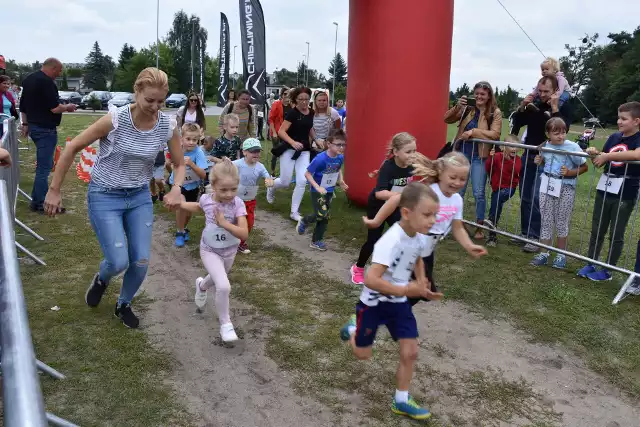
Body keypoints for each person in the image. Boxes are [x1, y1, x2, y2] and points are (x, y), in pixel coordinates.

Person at [44, 67, 186, 328]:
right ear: (137, 92)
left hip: (139, 196)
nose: (155, 107)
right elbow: (73, 146)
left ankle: (123, 303)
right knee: (118, 261)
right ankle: (102, 278)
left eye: (160, 102)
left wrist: (176, 187)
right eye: (149, 100)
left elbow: (179, 164)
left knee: (141, 260)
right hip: (105, 195)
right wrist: (54, 190)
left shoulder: (167, 125)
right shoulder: (117, 119)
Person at [339, 182, 441, 421]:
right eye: (427, 215)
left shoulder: (418, 235)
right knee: (363, 355)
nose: (432, 221)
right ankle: (354, 328)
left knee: (411, 351)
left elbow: (417, 257)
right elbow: (371, 279)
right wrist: (407, 288)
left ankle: (401, 401)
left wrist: (423, 284)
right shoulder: (390, 240)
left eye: (434, 215)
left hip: (399, 304)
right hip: (373, 304)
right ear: (406, 213)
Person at [362, 152, 487, 305]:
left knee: (419, 290)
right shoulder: (428, 192)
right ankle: (372, 312)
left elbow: (458, 228)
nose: (457, 183)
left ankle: (391, 312)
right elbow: (396, 199)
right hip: (410, 247)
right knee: (406, 288)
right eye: (453, 177)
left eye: (462, 179)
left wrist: (469, 246)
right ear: (441, 174)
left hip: (427, 252)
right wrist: (376, 221)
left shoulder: (457, 200)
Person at [578, 101, 640, 281]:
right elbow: (601, 161)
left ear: (636, 121)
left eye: (624, 119)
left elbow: (636, 155)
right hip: (605, 189)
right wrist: (594, 154)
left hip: (625, 193)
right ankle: (591, 261)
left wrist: (607, 155)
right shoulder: (613, 138)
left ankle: (608, 269)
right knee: (598, 227)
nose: (619, 122)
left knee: (616, 232)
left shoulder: (638, 138)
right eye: (618, 118)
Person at [510, 75, 571, 252]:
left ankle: (536, 237)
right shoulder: (533, 105)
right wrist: (522, 106)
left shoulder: (562, 106)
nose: (542, 94)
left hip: (546, 159)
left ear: (554, 91)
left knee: (538, 198)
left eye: (547, 91)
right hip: (528, 154)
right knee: (525, 196)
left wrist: (554, 107)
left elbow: (563, 128)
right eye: (540, 91)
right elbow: (518, 122)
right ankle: (525, 233)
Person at [190, 159, 249, 342]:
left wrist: (224, 223)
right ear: (213, 185)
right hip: (209, 249)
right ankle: (226, 325)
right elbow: (197, 207)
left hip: (229, 251)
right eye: (224, 190)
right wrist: (179, 204)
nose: (229, 194)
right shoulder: (206, 200)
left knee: (217, 279)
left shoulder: (238, 204)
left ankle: (201, 286)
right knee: (223, 286)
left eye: (233, 189)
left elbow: (244, 233)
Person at [349, 132, 417, 285]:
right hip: (378, 206)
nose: (412, 155)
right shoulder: (388, 167)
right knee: (374, 240)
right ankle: (358, 268)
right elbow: (380, 193)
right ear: (395, 152)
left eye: (414, 151)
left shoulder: (412, 166)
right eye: (408, 151)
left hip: (397, 206)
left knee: (402, 238)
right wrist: (399, 197)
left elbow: (409, 185)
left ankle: (397, 270)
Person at [444, 81, 502, 240]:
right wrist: (457, 107)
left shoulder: (494, 113)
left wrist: (473, 132)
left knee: (478, 193)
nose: (479, 97)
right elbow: (447, 119)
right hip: (461, 155)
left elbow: (495, 134)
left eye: (482, 94)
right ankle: (455, 224)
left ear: (489, 95)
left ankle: (479, 226)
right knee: (458, 191)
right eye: (476, 93)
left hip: (480, 156)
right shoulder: (468, 109)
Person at [19, 58, 76, 213]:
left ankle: (37, 200)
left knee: (42, 167)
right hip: (45, 129)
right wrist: (68, 107)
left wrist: (25, 124)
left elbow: (22, 106)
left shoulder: (29, 79)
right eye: (58, 71)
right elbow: (54, 108)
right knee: (44, 169)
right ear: (53, 68)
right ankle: (39, 203)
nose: (58, 75)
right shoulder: (47, 82)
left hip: (34, 127)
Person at [530, 118, 588, 269]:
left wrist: (570, 172)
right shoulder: (544, 146)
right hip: (547, 185)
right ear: (547, 133)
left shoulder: (572, 147)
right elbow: (546, 162)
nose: (561, 136)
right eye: (556, 133)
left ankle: (561, 255)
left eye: (563, 132)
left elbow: (584, 167)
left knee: (562, 221)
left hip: (566, 188)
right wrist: (540, 161)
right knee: (546, 219)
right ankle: (544, 253)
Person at [266, 87, 318, 222]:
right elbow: (282, 131)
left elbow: (309, 127)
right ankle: (271, 186)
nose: (304, 102)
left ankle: (294, 212)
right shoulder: (292, 113)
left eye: (306, 99)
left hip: (304, 151)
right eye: (301, 99)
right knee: (285, 182)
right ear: (295, 100)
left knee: (302, 180)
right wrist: (293, 142)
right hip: (289, 149)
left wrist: (316, 139)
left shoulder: (311, 112)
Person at [296, 129, 348, 251]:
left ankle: (316, 240)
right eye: (338, 144)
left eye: (343, 144)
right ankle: (304, 220)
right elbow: (307, 174)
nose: (341, 147)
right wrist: (317, 187)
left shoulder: (340, 157)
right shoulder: (320, 159)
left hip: (329, 190)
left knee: (325, 216)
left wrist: (341, 181)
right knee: (322, 213)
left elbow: (338, 169)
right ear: (329, 144)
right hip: (317, 190)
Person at [233, 138, 274, 254]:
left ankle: (240, 242)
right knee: (235, 221)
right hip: (236, 200)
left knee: (249, 223)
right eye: (252, 151)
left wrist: (269, 180)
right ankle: (233, 242)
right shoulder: (238, 164)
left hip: (250, 201)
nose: (256, 154)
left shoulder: (260, 167)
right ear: (244, 152)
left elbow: (267, 176)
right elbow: (226, 168)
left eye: (257, 151)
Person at [171, 123, 208, 247]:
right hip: (178, 184)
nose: (191, 142)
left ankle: (184, 228)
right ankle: (180, 232)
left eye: (195, 140)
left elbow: (203, 175)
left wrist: (191, 164)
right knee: (181, 205)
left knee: (188, 211)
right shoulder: (177, 149)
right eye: (188, 139)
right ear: (182, 139)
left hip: (193, 186)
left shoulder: (199, 153)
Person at [483, 135, 522, 246]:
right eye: (511, 146)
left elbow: (516, 170)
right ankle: (492, 237)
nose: (514, 149)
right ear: (504, 147)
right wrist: (490, 158)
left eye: (516, 146)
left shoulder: (517, 160)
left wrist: (508, 160)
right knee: (496, 209)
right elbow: (488, 168)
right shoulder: (497, 156)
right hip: (497, 188)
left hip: (509, 188)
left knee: (497, 201)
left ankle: (491, 220)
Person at [311, 91, 342, 160]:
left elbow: (338, 130)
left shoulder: (333, 112)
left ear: (327, 101)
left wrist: (329, 142)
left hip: (329, 143)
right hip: (314, 143)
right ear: (315, 101)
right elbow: (309, 128)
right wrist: (316, 140)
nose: (322, 102)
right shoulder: (311, 112)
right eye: (319, 100)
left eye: (324, 100)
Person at [268, 87, 292, 174]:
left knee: (286, 152)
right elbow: (270, 119)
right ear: (281, 95)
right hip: (277, 132)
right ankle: (272, 171)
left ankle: (284, 172)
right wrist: (274, 132)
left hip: (287, 133)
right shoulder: (276, 104)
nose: (287, 95)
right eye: (285, 94)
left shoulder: (291, 105)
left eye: (288, 94)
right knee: (276, 152)